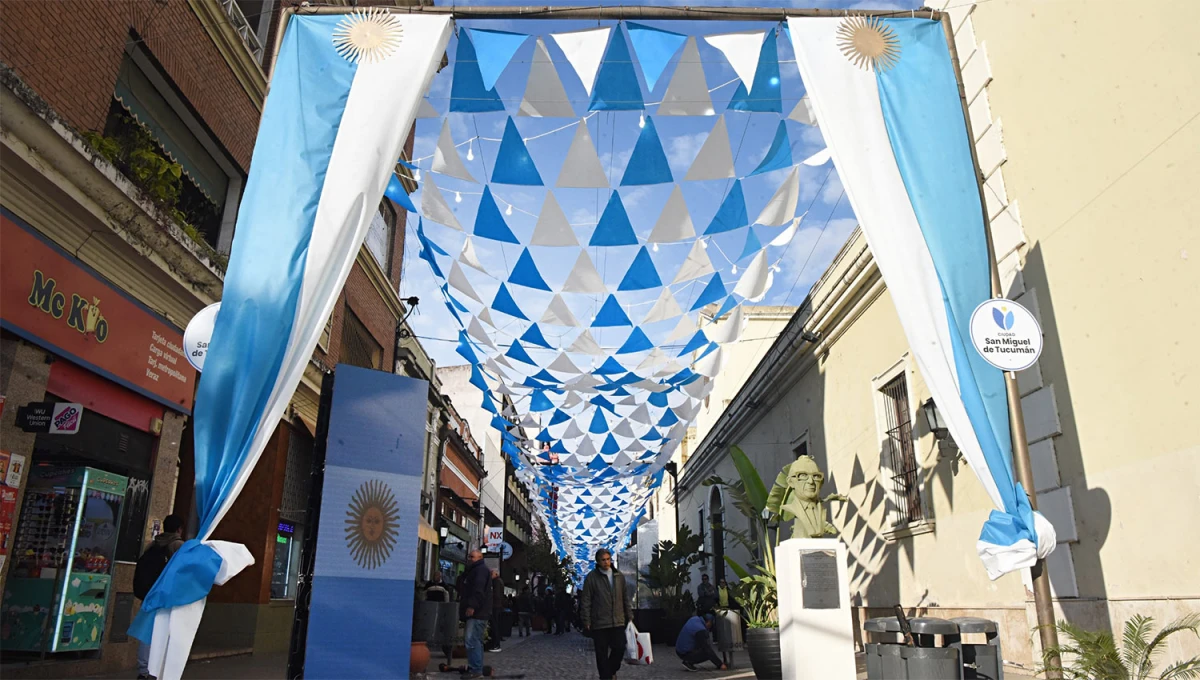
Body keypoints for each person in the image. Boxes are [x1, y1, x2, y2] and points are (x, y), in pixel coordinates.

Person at [134, 514, 185, 680]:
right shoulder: (177, 545)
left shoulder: (153, 544)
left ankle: (144, 670)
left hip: (149, 594)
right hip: (166, 597)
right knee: (165, 632)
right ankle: (158, 670)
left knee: (147, 632)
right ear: (179, 529)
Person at [580, 549, 633, 680]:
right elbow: (586, 600)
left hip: (618, 620)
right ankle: (605, 677)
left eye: (608, 559)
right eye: (603, 560)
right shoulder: (592, 578)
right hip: (600, 622)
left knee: (620, 648)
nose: (606, 562)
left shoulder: (618, 576)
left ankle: (612, 670)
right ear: (598, 562)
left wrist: (629, 614)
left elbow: (625, 596)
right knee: (601, 653)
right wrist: (586, 619)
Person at [457, 550, 493, 679]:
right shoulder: (476, 570)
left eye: (472, 557)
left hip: (478, 613)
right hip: (480, 612)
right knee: (475, 640)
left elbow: (478, 590)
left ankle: (476, 670)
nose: (470, 559)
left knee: (472, 640)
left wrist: (472, 606)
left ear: (479, 558)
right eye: (469, 556)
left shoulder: (480, 571)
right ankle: (475, 668)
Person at [486, 569, 505, 651]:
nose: (490, 575)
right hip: (497, 605)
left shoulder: (496, 582)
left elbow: (496, 594)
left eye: (491, 573)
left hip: (495, 606)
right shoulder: (499, 581)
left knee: (494, 625)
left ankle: (496, 644)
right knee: (495, 625)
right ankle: (495, 643)